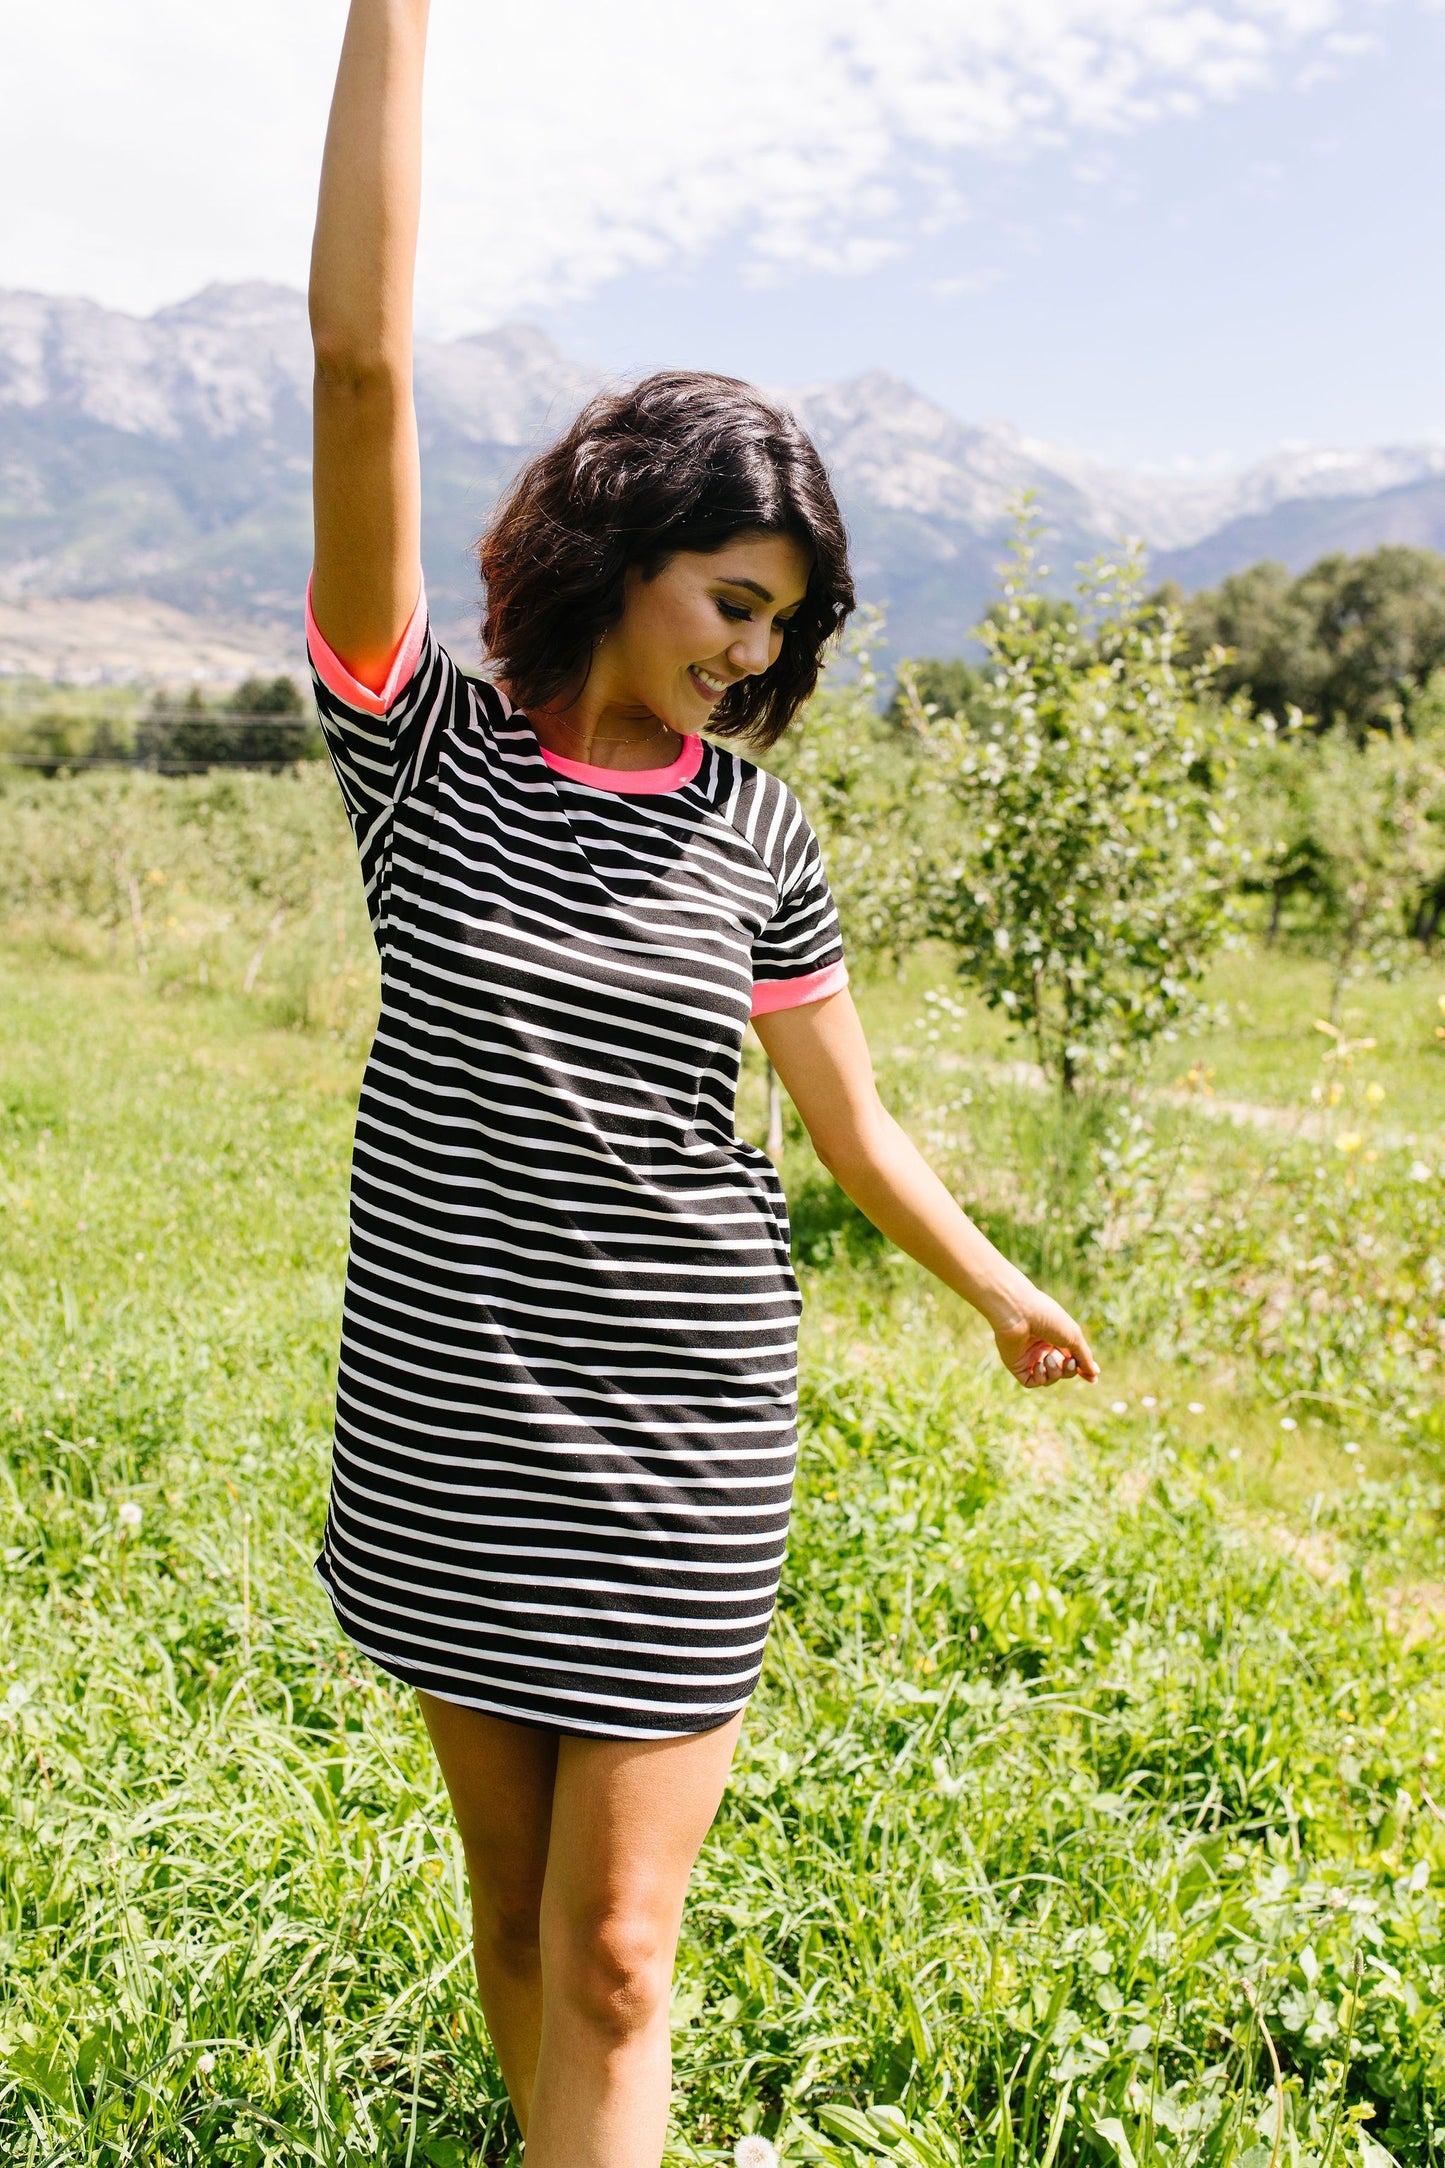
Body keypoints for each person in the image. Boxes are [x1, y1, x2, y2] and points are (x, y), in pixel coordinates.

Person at [306, 4, 1099, 2161]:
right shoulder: (424, 753)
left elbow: (848, 1125)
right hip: (456, 1410)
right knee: (508, 1921)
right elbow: (361, 364)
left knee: (621, 1948)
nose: (751, 657)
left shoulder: (760, 836)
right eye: (732, 602)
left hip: (680, 1416)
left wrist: (997, 1279)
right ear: (623, 541)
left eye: (784, 627)